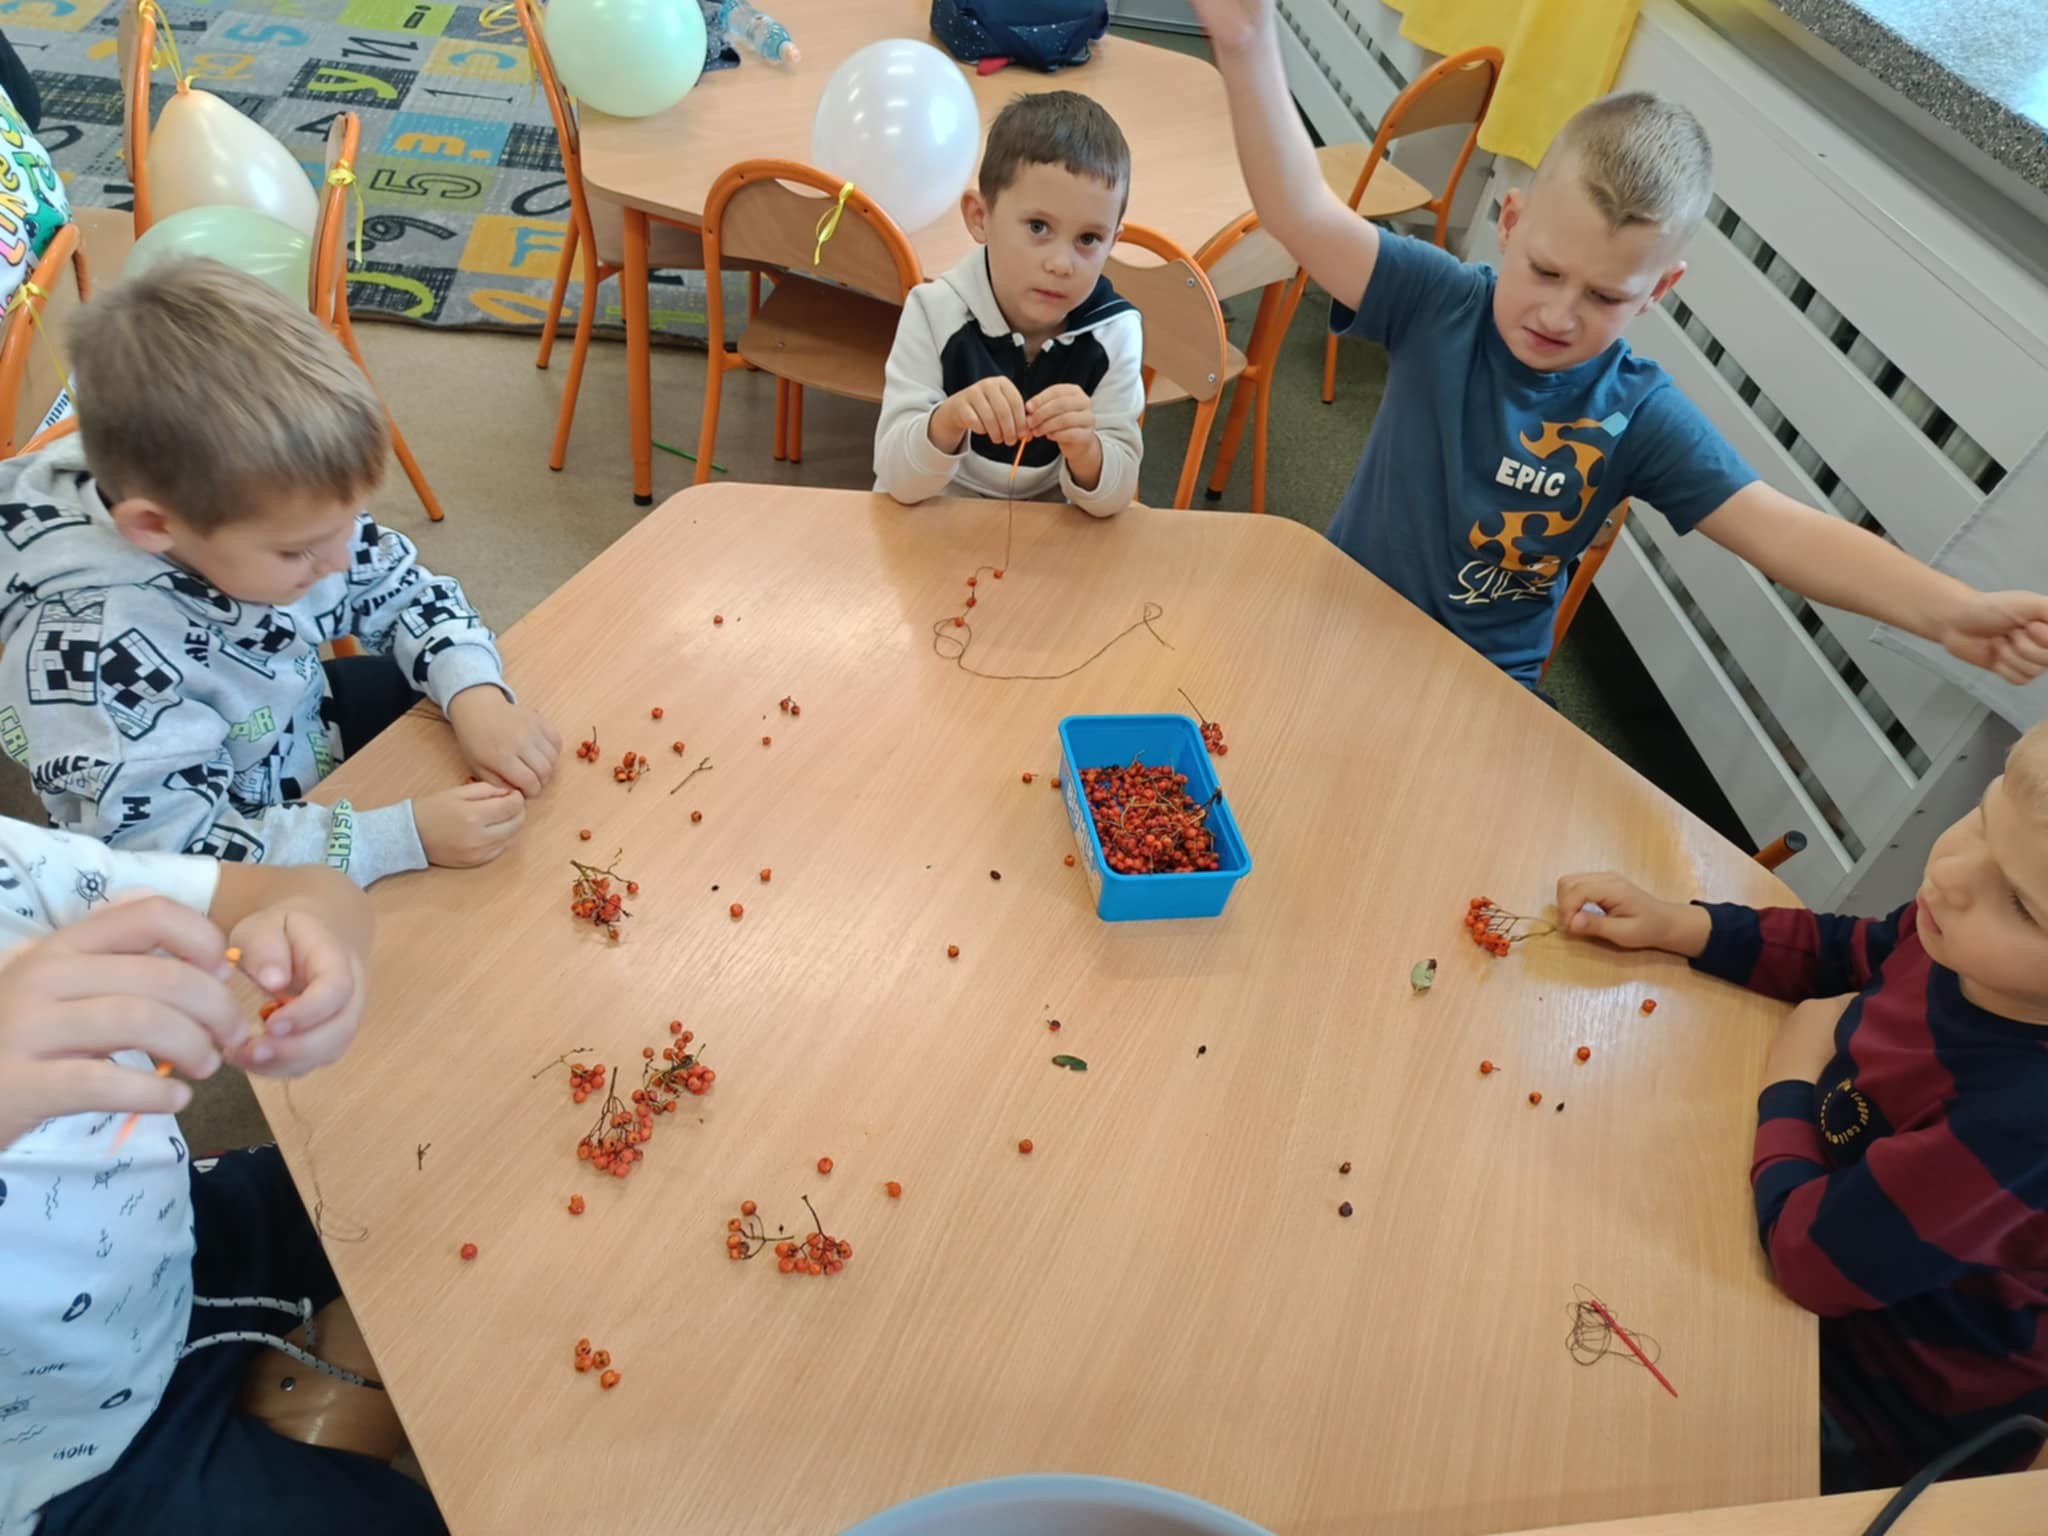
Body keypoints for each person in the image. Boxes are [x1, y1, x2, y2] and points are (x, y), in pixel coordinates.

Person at [1185, 0, 2048, 688]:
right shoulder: (1439, 301)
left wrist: (1947, 611)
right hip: (1343, 616)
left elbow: (1784, 532)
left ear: (1660, 291)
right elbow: (1300, 211)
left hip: (1480, 683)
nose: (1559, 315)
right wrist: (1248, 41)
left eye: (1605, 296)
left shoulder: (1637, 414)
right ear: (1511, 224)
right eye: (1545, 271)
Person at [1558, 718, 2048, 1491]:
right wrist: (1686, 925)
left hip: (1869, 1398)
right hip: (1808, 1221)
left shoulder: (2019, 1121)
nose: (1955, 873)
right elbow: (1852, 952)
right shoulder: (1958, 938)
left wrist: (1792, 1070)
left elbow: (1812, 1263)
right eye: (1983, 818)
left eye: (2021, 904)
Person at [0, 259, 559, 885]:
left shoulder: (273, 512)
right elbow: (169, 866)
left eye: (348, 523)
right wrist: (396, 838)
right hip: (208, 861)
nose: (341, 561)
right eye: (300, 551)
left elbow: (397, 588)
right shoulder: (93, 665)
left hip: (295, 735)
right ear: (155, 526)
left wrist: (475, 694)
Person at [0, 816, 443, 1533]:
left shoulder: (13, 869)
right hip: (79, 1469)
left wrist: (317, 934)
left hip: (187, 1237)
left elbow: (289, 889)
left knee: (452, 1172)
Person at [874, 90, 1145, 516]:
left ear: (1113, 241)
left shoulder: (1116, 332)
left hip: (1052, 529)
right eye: (1038, 227)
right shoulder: (933, 311)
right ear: (980, 217)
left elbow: (1115, 498)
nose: (1061, 264)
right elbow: (897, 480)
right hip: (939, 513)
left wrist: (1087, 451)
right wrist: (948, 419)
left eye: (1089, 239)